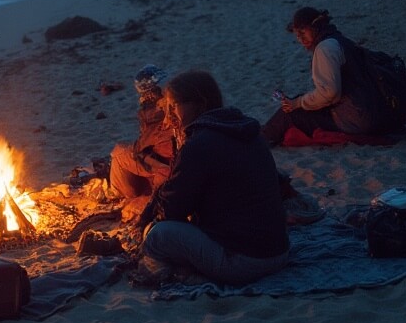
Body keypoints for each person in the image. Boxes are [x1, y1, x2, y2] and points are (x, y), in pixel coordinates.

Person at [133, 70, 289, 286]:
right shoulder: (246, 130)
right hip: (279, 252)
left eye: (174, 106)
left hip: (243, 261)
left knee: (157, 235)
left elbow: (172, 211)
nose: (169, 117)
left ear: (199, 103)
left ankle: (182, 273)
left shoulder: (199, 145)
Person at [262, 7, 402, 145]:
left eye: (303, 32)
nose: (300, 39)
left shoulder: (325, 48)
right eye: (297, 35)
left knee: (290, 113)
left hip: (357, 119)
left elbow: (330, 93)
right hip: (374, 112)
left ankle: (260, 139)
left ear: (316, 27)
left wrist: (297, 103)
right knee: (299, 102)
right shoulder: (341, 41)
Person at [109, 65, 175, 202]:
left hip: (165, 165)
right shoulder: (180, 102)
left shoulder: (156, 113)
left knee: (118, 152)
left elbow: (142, 146)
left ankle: (120, 196)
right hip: (174, 161)